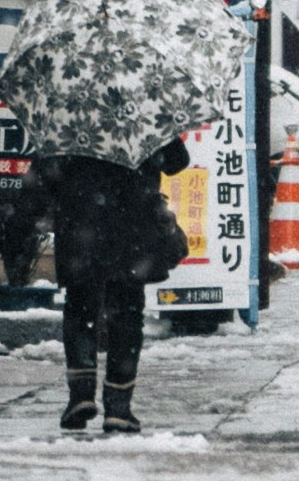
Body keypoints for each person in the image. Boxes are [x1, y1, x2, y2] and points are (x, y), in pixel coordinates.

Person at [30, 135, 192, 436]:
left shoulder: (70, 113)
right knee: (128, 314)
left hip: (80, 224)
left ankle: (80, 395)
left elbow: (44, 176)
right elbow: (177, 162)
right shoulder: (145, 109)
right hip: (132, 226)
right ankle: (118, 407)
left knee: (79, 308)